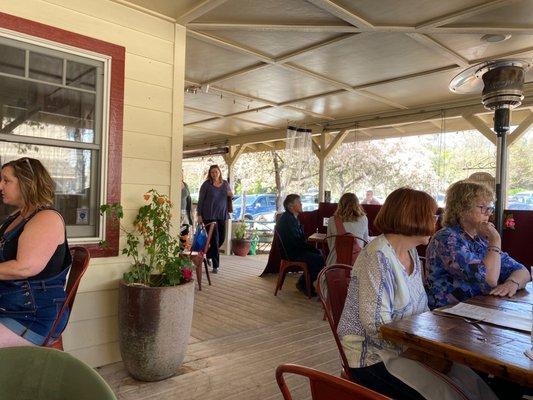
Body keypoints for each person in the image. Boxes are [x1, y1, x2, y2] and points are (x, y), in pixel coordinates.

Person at [337, 187, 497, 400]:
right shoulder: (377, 257)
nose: (436, 221)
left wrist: (430, 349)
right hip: (372, 356)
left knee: (473, 383)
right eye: (432, 216)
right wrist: (421, 352)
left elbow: (420, 310)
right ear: (413, 218)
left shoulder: (410, 252)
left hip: (405, 345)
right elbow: (376, 325)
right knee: (452, 394)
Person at [0, 157, 71, 347]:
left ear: (27, 183)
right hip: (10, 307)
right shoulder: (17, 217)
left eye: (6, 181)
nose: (0, 186)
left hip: (33, 316)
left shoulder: (46, 218)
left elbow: (24, 268)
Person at [426, 180, 530, 309]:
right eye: (483, 207)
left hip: (477, 310)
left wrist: (512, 283)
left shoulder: (480, 239)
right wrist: (495, 240)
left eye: (490, 208)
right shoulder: (447, 238)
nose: (488, 213)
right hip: (448, 316)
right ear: (461, 208)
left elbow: (523, 271)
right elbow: (489, 279)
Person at [275, 194, 324, 297]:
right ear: (290, 206)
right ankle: (305, 285)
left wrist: (312, 249)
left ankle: (303, 283)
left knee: (319, 253)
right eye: (299, 202)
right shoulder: (288, 220)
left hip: (295, 249)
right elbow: (297, 242)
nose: (301, 204)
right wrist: (312, 249)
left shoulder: (292, 218)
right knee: (318, 258)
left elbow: (299, 241)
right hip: (292, 253)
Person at [197, 164, 232, 273]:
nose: (214, 174)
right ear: (210, 174)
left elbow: (230, 195)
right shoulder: (206, 185)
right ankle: (216, 266)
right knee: (215, 239)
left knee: (221, 239)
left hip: (222, 215)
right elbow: (201, 200)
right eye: (212, 172)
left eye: (216, 172)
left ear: (219, 172)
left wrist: (231, 194)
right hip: (209, 215)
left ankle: (209, 254)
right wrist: (199, 215)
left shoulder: (225, 184)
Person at [326, 193, 369, 265]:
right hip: (356, 264)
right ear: (357, 204)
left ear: (340, 204)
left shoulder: (332, 220)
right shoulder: (364, 219)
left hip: (334, 265)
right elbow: (365, 241)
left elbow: (330, 244)